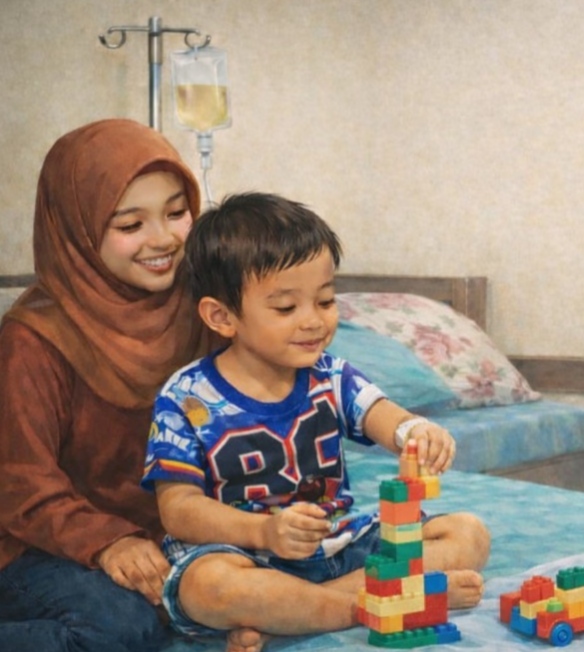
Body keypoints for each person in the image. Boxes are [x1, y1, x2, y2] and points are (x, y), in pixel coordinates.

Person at [140, 192, 491, 641]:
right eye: (286, 308)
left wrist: (414, 430)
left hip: (337, 543)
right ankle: (372, 602)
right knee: (209, 586)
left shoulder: (330, 375)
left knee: (467, 533)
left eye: (325, 301)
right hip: (243, 551)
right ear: (222, 316)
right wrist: (264, 532)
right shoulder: (186, 398)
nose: (313, 321)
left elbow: (382, 414)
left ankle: (296, 611)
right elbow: (179, 510)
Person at [0, 119, 208, 651]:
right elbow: (20, 483)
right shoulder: (33, 339)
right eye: (130, 224)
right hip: (35, 543)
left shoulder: (206, 308)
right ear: (78, 232)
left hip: (169, 536)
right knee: (121, 626)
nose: (162, 239)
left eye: (176, 213)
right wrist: (109, 542)